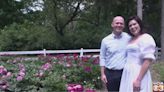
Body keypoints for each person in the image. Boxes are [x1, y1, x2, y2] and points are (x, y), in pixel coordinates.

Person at [119, 16, 156, 92]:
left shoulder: (146, 38)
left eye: (134, 24)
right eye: (130, 26)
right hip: (127, 73)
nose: (132, 27)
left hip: (138, 72)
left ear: (139, 24)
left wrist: (138, 80)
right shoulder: (130, 39)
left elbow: (147, 61)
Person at [99, 16, 131, 91]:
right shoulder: (105, 40)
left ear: (124, 26)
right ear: (112, 24)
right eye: (117, 23)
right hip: (110, 74)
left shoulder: (129, 38)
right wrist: (102, 74)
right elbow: (102, 57)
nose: (119, 25)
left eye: (121, 23)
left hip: (125, 73)